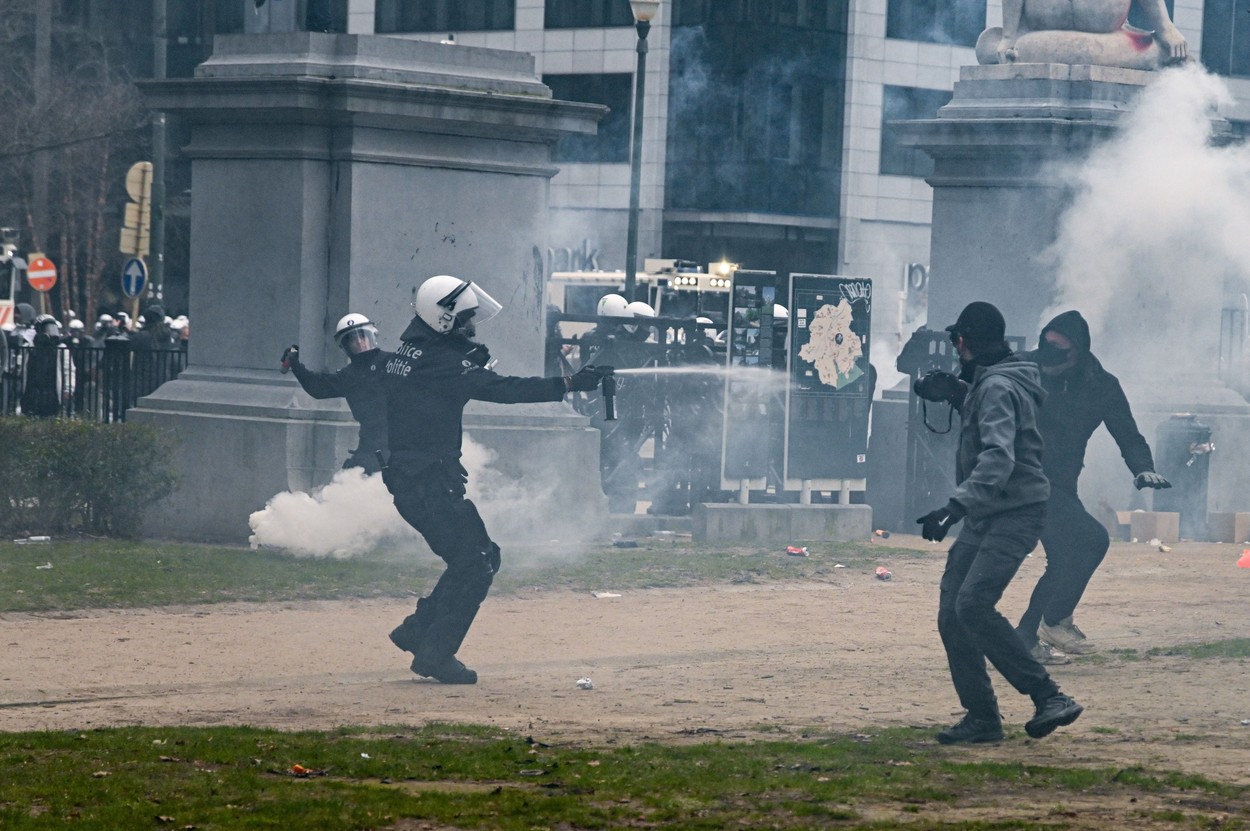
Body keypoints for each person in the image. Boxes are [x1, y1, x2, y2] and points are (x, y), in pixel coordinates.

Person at [375, 275, 611, 684]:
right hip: (429, 482)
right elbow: (503, 389)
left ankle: (417, 631)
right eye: (466, 319)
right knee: (476, 561)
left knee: (477, 555)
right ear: (443, 319)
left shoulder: (412, 352)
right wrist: (569, 383)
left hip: (417, 480)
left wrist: (464, 355)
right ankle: (434, 653)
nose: (472, 326)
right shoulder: (441, 363)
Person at [915, 301, 1083, 744]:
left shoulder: (996, 388)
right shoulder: (997, 380)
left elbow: (998, 456)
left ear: (962, 342)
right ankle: (983, 720)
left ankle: (1049, 696)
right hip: (990, 512)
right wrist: (956, 392)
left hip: (1015, 512)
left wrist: (954, 507)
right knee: (953, 615)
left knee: (971, 605)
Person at [1015, 310, 1170, 664]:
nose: (1050, 359)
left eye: (1061, 351)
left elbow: (1129, 436)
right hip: (1022, 478)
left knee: (1068, 556)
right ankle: (1049, 625)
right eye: (1047, 348)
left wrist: (1143, 468)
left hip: (1061, 483)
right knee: (1091, 540)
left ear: (1080, 352)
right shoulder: (1022, 369)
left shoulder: (1100, 384)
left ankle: (1032, 635)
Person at [283, 313, 388, 474]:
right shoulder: (349, 375)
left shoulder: (392, 362)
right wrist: (295, 364)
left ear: (372, 335)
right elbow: (317, 387)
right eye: (352, 340)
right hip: (370, 449)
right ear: (345, 347)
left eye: (363, 336)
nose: (360, 342)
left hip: (401, 445)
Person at [19, 315, 75, 418]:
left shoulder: (61, 349)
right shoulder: (29, 347)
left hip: (51, 390)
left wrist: (68, 388)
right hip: (32, 389)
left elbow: (69, 370)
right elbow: (22, 367)